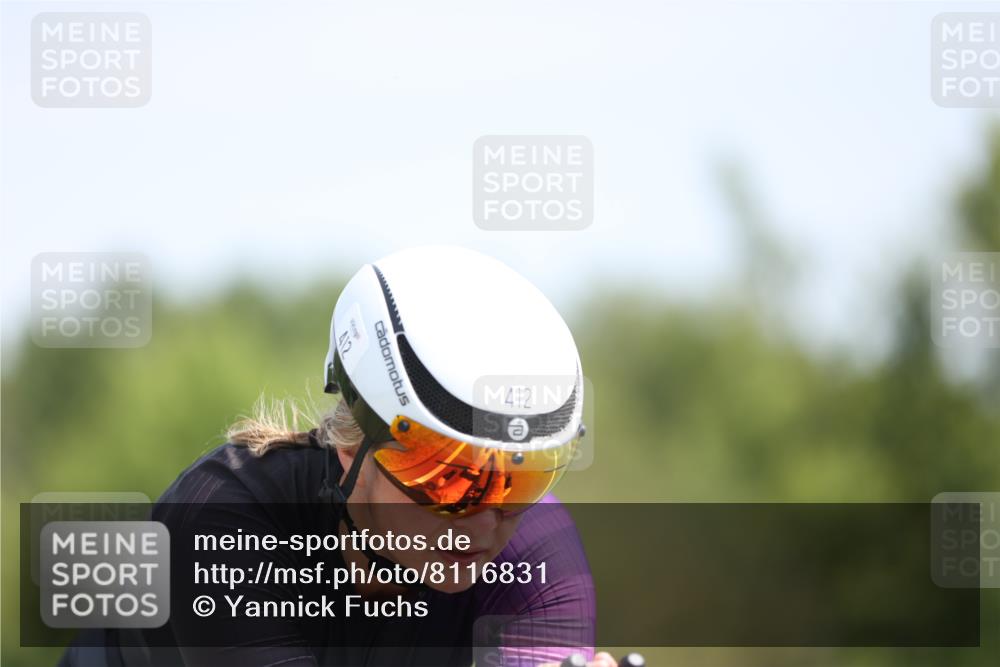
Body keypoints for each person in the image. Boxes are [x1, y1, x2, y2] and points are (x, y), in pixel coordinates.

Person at [60, 245, 618, 667]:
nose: (486, 521)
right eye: (448, 479)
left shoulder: (535, 547)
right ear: (354, 447)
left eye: (521, 482)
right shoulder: (221, 517)